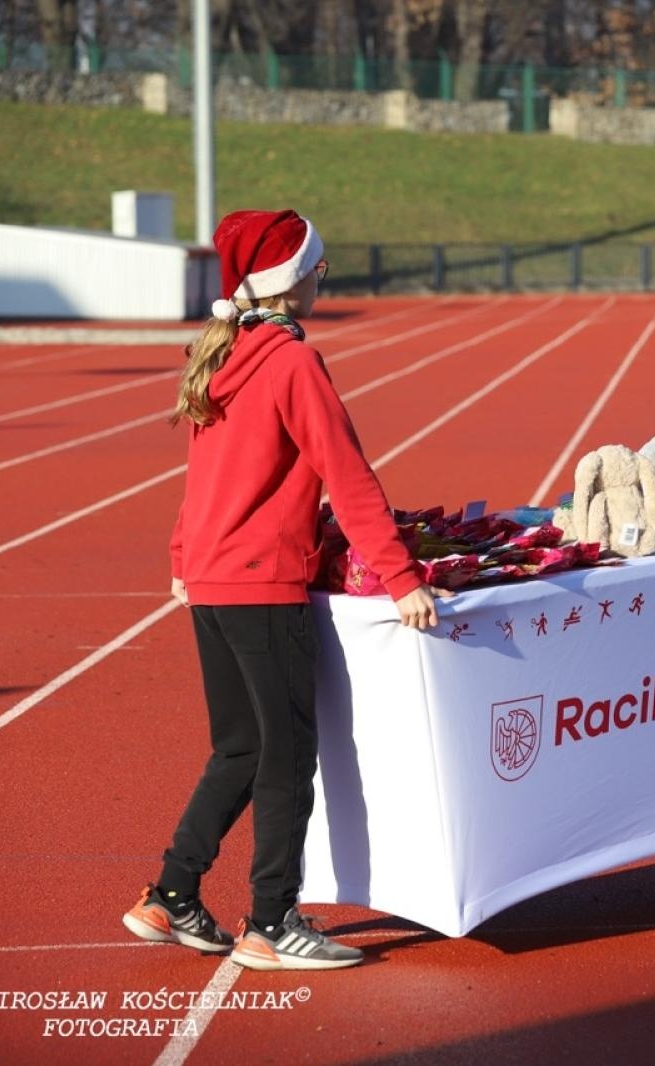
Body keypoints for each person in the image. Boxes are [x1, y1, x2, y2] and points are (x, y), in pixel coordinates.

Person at [122, 209, 447, 970]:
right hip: (262, 584)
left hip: (211, 580)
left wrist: (182, 558)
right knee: (288, 755)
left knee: (240, 747)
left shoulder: (225, 351)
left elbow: (202, 478)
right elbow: (347, 474)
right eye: (317, 268)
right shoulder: (292, 362)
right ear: (291, 280)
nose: (321, 280)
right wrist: (401, 577)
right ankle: (271, 921)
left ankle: (171, 895)